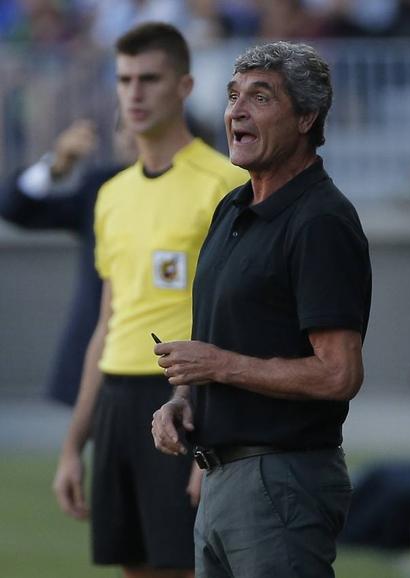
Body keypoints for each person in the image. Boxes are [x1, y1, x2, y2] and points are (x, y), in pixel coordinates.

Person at [151, 40, 372, 578]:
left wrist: (217, 366)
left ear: (306, 117)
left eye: (260, 97)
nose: (236, 111)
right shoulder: (232, 206)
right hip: (222, 475)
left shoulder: (321, 221)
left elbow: (339, 373)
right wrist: (184, 399)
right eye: (232, 96)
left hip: (282, 482)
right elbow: (218, 339)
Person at [52, 22, 247, 578]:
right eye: (124, 80)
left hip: (182, 399)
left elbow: (234, 318)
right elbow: (107, 323)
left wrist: (214, 430)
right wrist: (73, 447)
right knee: (134, 568)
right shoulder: (111, 195)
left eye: (150, 79)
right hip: (116, 400)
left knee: (188, 567)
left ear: (184, 86)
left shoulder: (222, 183)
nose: (134, 94)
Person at [0, 118, 128, 405]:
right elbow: (14, 208)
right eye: (123, 125)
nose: (132, 134)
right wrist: (56, 165)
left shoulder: (203, 184)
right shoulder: (102, 186)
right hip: (105, 349)